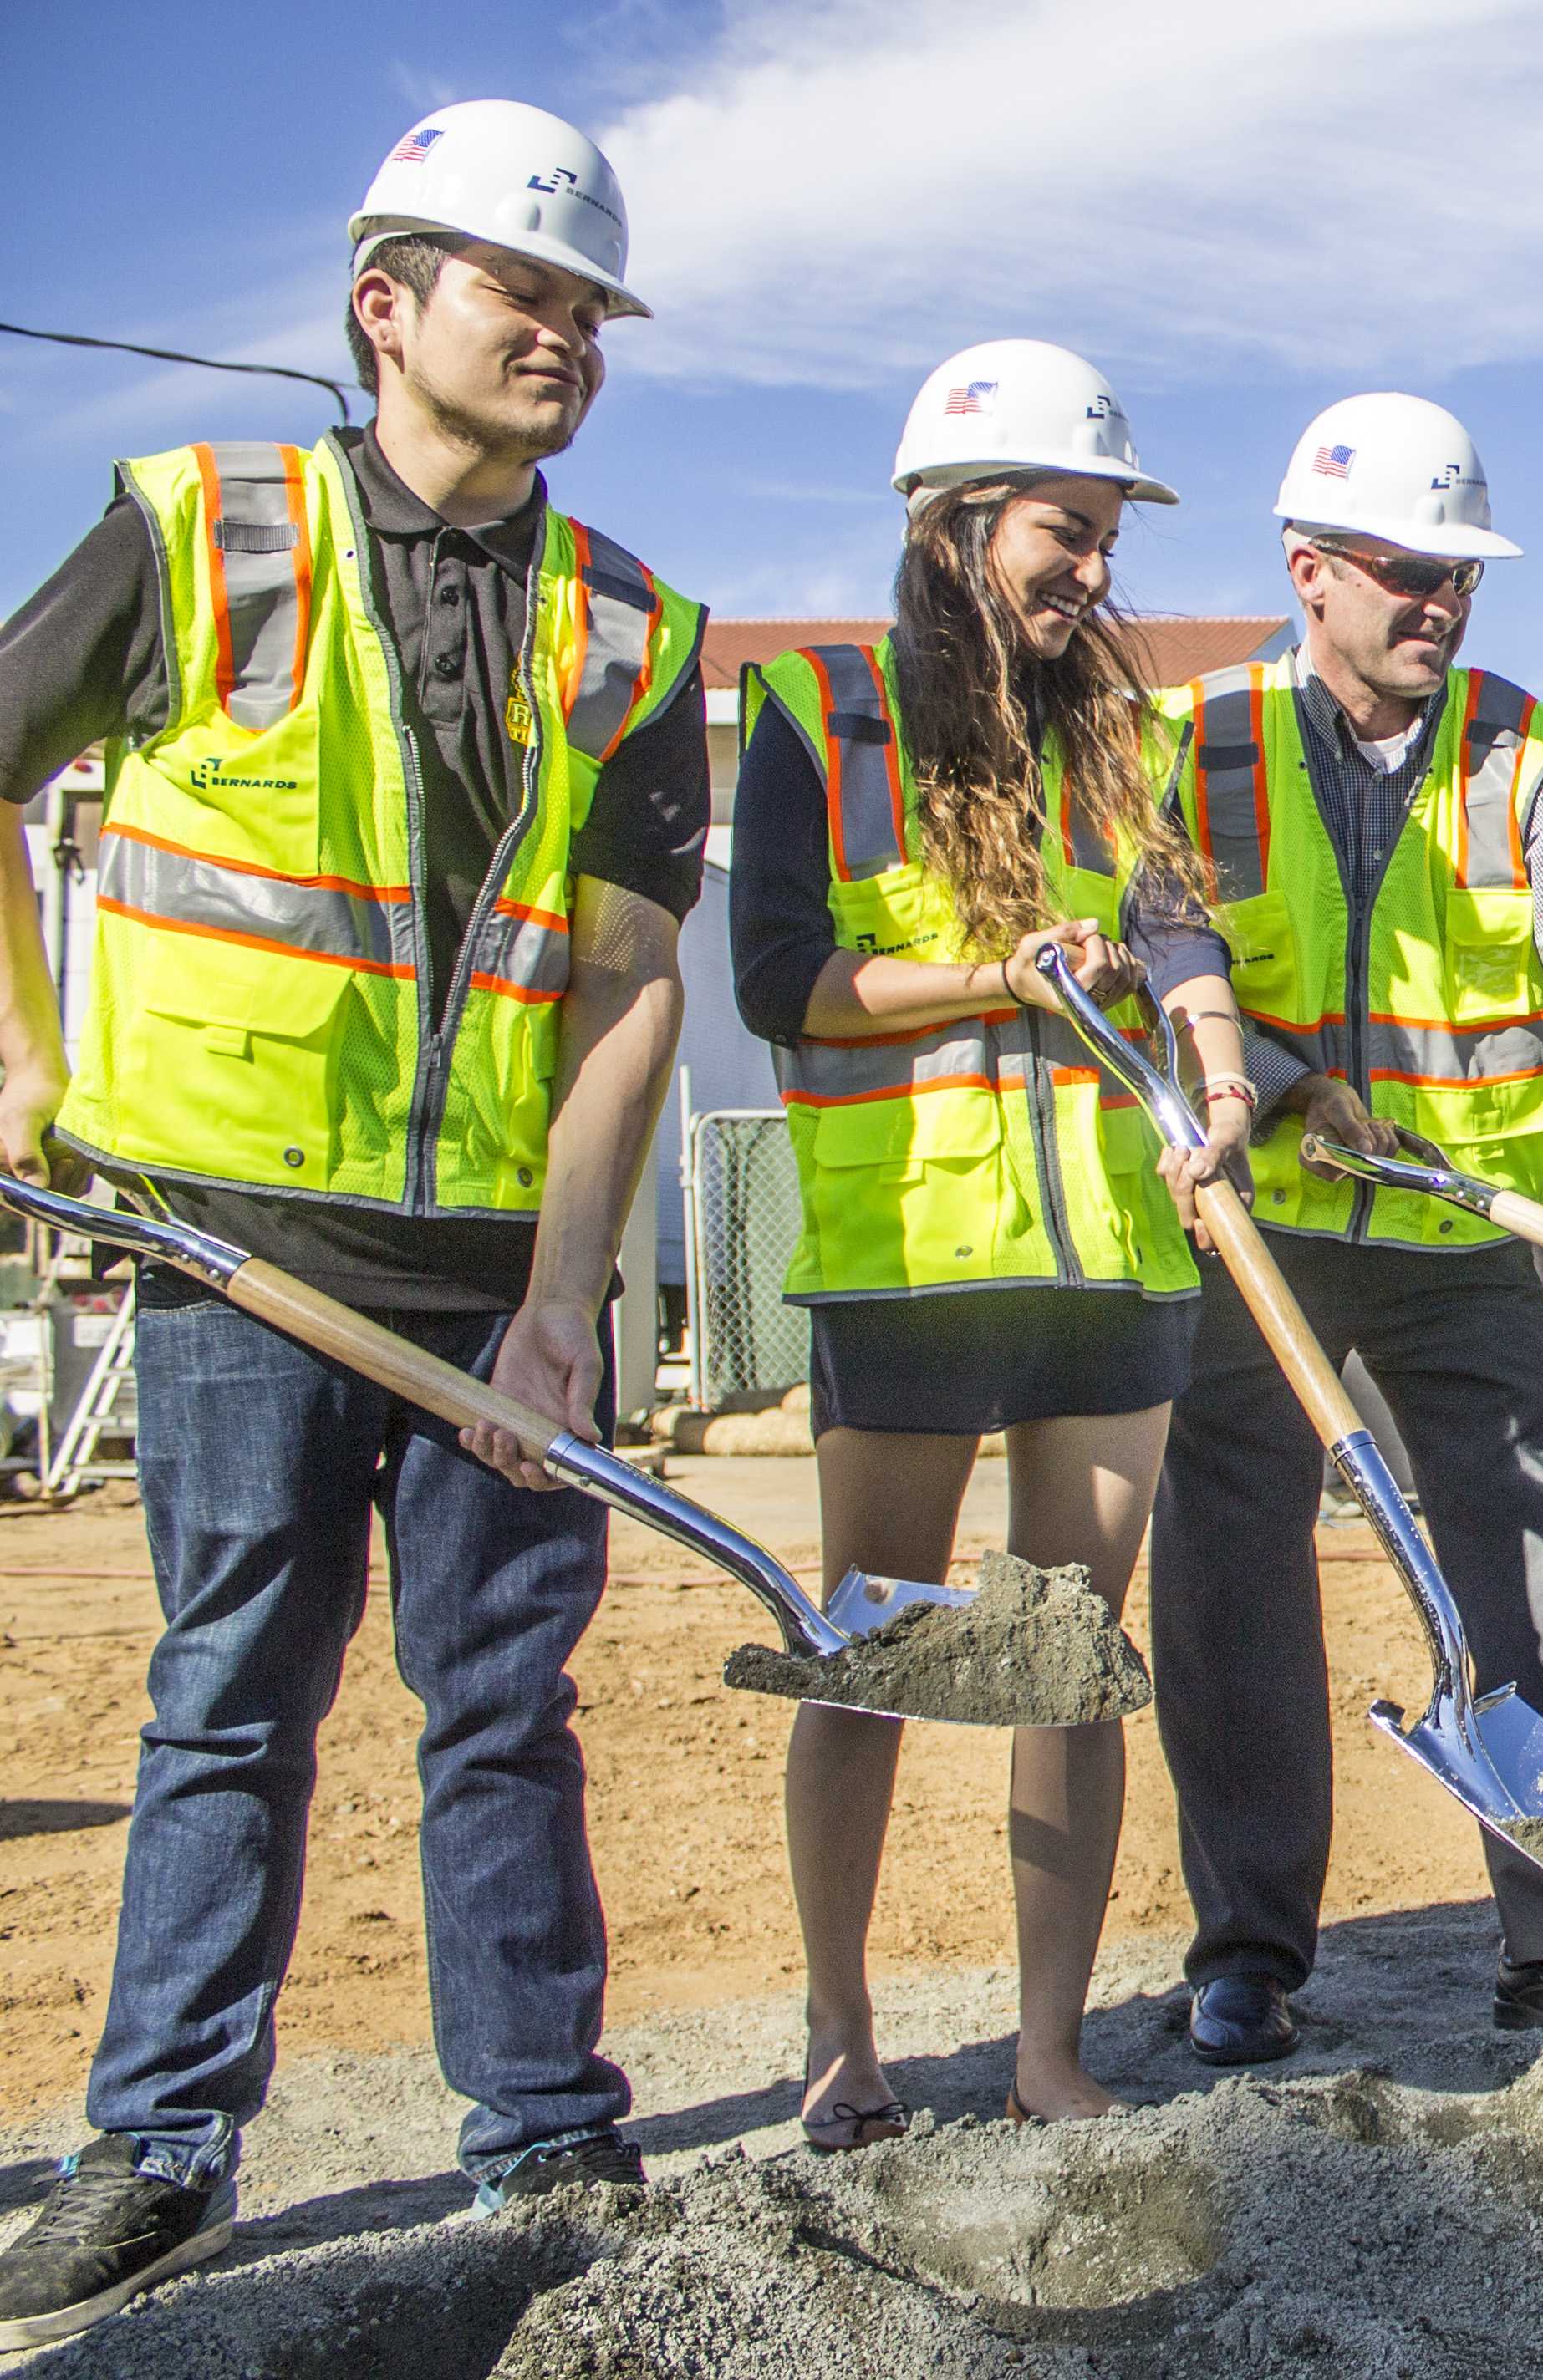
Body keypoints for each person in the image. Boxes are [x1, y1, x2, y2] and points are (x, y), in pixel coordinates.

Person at [0, 103, 708, 2342]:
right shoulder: (205, 533)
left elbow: (624, 985)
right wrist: (19, 1056)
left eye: (592, 313)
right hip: (235, 1254)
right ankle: (163, 2147)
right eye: (530, 295)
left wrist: (567, 1306)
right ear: (387, 305)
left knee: (503, 1706)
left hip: (492, 1273)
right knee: (232, 1696)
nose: (565, 340)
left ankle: (544, 2128)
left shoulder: (631, 625)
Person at [726, 342, 1240, 2144]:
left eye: (1102, 534)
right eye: (1062, 530)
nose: (1092, 568)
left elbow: (1175, 930)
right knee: (868, 1655)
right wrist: (990, 972)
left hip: (1107, 1264)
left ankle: (1045, 2046)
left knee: (1074, 1658)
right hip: (910, 1263)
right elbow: (779, 979)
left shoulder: (1120, 733)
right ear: (955, 529)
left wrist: (1224, 1070)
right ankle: (840, 2033)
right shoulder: (807, 709)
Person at [1150, 394, 1543, 2061]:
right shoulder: (1201, 739)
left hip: (1470, 1237)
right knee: (1233, 1572)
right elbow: (1161, 939)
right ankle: (1248, 1945)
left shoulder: (1536, 756)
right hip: (1266, 1230)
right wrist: (1274, 1080)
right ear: (1310, 570)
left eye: (1461, 575)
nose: (1441, 604)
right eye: (1408, 571)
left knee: (1529, 1576)